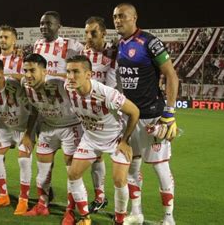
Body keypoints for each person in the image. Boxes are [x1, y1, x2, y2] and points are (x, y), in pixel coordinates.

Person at [112, 3, 179, 225]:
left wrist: (169, 112)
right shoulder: (119, 44)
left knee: (160, 168)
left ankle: (168, 218)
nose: (118, 20)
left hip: (152, 116)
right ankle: (136, 213)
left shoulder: (150, 42)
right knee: (132, 166)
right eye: (115, 17)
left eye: (122, 16)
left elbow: (171, 76)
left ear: (134, 17)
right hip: (131, 117)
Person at [63, 55, 139, 225]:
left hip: (115, 139)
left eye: (76, 72)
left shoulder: (106, 94)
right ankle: (84, 218)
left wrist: (125, 141)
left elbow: (134, 111)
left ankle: (119, 220)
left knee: (119, 180)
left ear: (89, 74)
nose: (70, 76)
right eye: (68, 72)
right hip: (90, 138)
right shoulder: (67, 87)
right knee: (73, 174)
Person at [21, 53, 82, 217]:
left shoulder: (60, 84)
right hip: (48, 128)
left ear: (45, 71)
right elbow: (34, 108)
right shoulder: (25, 85)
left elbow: (82, 86)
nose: (28, 75)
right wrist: (28, 133)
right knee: (42, 171)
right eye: (25, 70)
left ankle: (70, 211)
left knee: (72, 171)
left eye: (32, 70)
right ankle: (42, 204)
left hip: (71, 127)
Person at [0, 57, 37, 215]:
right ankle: (3, 196)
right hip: (5, 128)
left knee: (23, 159)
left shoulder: (16, 85)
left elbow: (34, 108)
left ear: (1, 73)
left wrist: (28, 134)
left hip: (24, 128)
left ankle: (23, 200)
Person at [81, 16, 119, 213]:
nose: (88, 36)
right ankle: (100, 197)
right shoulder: (82, 53)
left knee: (122, 162)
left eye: (93, 33)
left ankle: (127, 209)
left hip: (114, 115)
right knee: (95, 157)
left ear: (104, 33)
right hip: (89, 115)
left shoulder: (115, 52)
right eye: (86, 32)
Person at [34, 11, 84, 77]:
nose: (44, 26)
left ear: (58, 26)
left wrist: (49, 76)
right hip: (41, 85)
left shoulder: (70, 43)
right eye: (42, 24)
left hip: (61, 85)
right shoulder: (37, 44)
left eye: (48, 23)